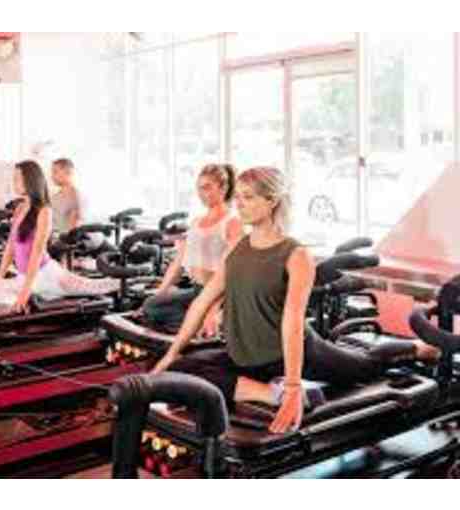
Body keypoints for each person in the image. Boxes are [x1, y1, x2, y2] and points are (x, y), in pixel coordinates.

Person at [152, 166, 440, 435]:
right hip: (244, 358)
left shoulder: (295, 254)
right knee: (178, 370)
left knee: (365, 366)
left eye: (248, 197)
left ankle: (418, 348)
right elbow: (202, 302)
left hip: (291, 353)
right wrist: (171, 353)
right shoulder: (237, 249)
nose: (239, 204)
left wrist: (292, 385)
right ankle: (270, 393)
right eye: (237, 197)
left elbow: (292, 321)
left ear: (272, 202)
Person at [0, 160, 120, 316]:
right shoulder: (20, 208)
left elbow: (36, 253)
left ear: (30, 181)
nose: (13, 182)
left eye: (17, 178)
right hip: (25, 278)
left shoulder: (44, 211)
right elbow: (10, 247)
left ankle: (133, 281)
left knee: (100, 286)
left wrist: (25, 294)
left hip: (47, 276)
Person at [140, 164, 241, 335]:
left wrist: (214, 309)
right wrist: (160, 293)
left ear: (223, 188)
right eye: (199, 188)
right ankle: (197, 324)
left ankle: (206, 324)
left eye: (207, 187)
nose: (201, 193)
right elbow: (178, 262)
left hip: (219, 294)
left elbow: (232, 271)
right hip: (197, 290)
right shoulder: (196, 222)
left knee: (165, 314)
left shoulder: (233, 222)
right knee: (151, 305)